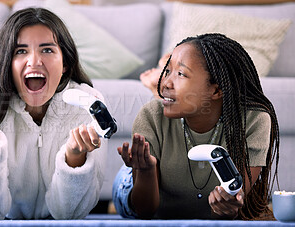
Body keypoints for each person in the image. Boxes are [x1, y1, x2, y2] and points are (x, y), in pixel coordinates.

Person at [0, 7, 107, 220]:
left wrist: (74, 158)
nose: (34, 61)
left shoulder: (87, 105)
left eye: (47, 50)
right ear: (6, 62)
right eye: (20, 51)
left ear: (65, 64)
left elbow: (69, 214)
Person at [112, 33, 279, 220]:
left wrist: (224, 207)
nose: (166, 82)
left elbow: (228, 208)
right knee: (133, 170)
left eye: (180, 73)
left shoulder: (254, 120)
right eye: (167, 72)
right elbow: (146, 212)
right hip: (139, 183)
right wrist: (145, 170)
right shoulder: (150, 115)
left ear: (216, 90)